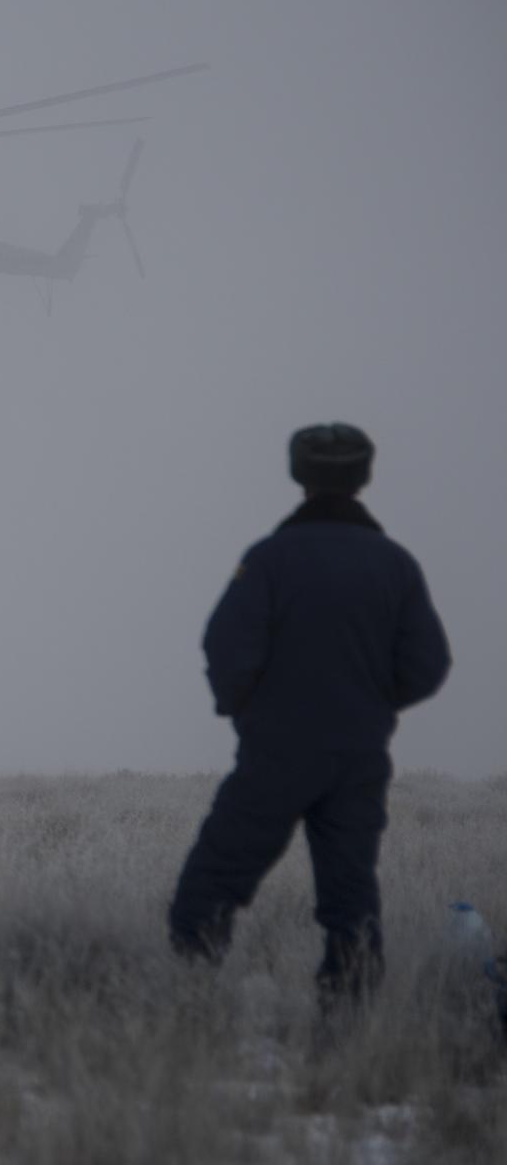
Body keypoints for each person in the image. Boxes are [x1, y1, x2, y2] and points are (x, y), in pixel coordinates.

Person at [168, 423, 451, 1003]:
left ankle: (188, 1002)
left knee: (214, 879)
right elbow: (427, 663)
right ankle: (347, 1026)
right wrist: (369, 707)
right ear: (363, 476)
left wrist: (249, 709)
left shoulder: (270, 560)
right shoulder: (395, 565)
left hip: (276, 751)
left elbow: (226, 647)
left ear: (299, 475)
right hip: (357, 756)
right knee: (351, 897)